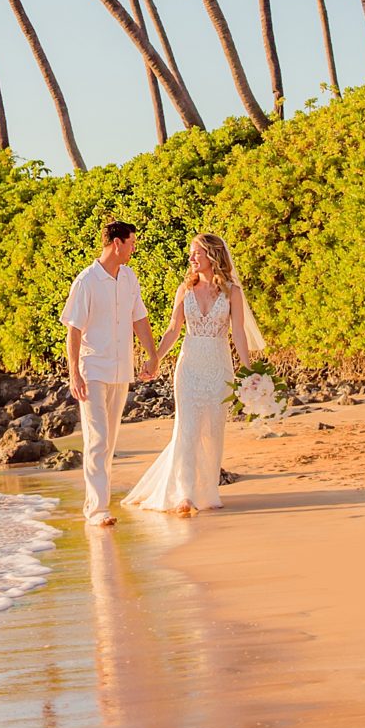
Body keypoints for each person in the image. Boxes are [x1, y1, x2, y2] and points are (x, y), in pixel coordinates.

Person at [123, 232, 260, 518]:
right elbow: (173, 329)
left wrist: (248, 369)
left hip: (219, 367)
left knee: (212, 430)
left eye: (196, 253)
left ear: (212, 255)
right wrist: (155, 359)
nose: (191, 258)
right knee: (187, 428)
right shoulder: (185, 289)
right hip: (189, 366)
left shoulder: (232, 292)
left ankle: (206, 491)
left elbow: (238, 332)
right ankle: (184, 493)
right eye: (191, 253)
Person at [61, 220, 158, 528]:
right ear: (117, 243)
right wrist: (74, 373)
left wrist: (152, 355)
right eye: (131, 243)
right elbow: (73, 329)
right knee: (97, 439)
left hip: (120, 369)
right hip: (92, 369)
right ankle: (97, 509)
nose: (134, 249)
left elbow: (139, 318)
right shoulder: (86, 281)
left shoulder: (129, 277)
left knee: (110, 440)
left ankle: (99, 503)